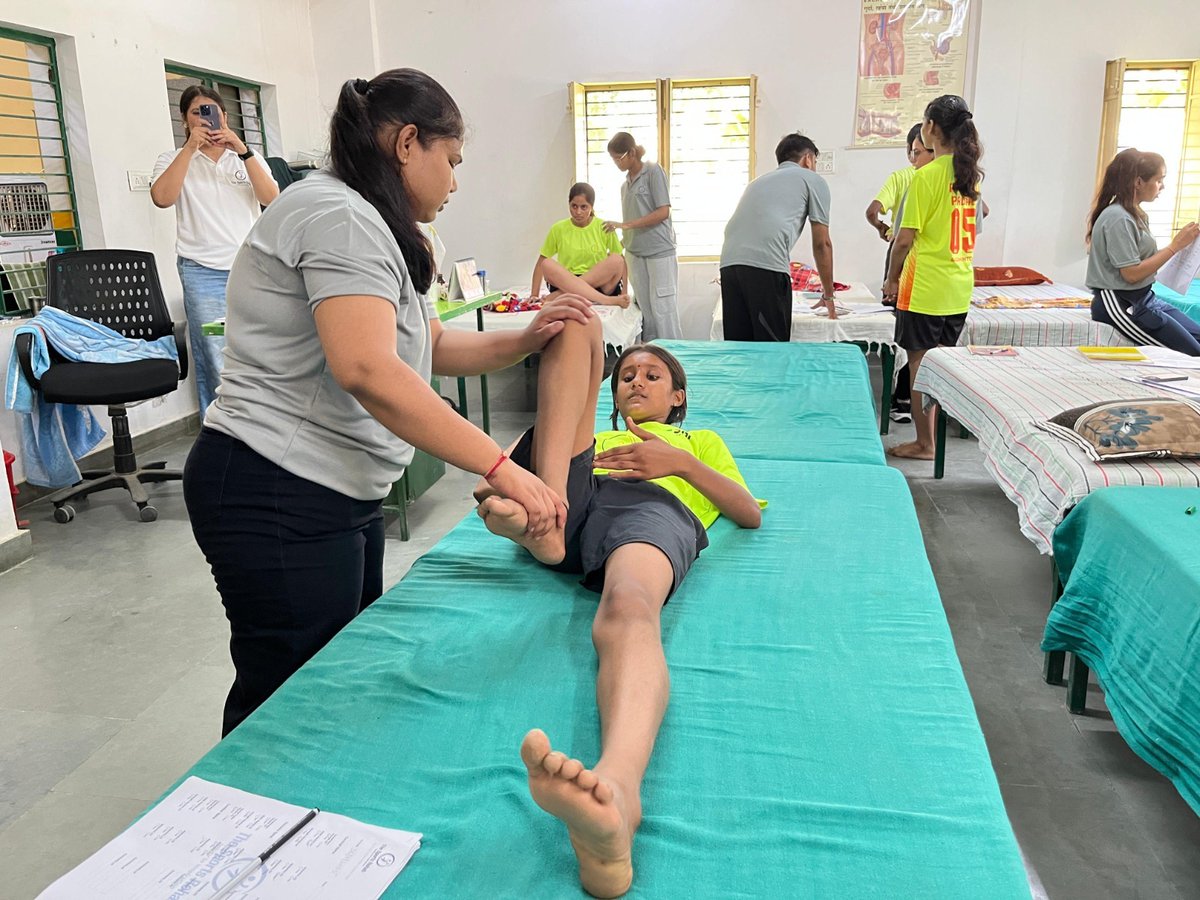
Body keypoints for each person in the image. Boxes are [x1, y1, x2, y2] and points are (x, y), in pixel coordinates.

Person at [183, 69, 595, 736]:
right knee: (289, 704)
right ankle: (249, 829)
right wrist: (504, 468)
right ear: (409, 144)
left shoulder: (378, 223)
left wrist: (527, 338)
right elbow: (369, 368)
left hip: (332, 488)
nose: (456, 181)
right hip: (273, 484)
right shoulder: (338, 215)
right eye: (452, 160)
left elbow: (425, 345)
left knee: (332, 677)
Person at [474, 324, 762, 898]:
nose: (636, 382)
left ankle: (620, 794)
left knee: (628, 606)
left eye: (653, 376)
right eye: (626, 375)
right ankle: (531, 523)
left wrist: (675, 464)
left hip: (650, 511)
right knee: (549, 420)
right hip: (572, 489)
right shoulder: (593, 441)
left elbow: (748, 512)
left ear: (678, 397)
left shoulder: (696, 441)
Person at [151, 86, 280, 413]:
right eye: (198, 112)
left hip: (250, 272)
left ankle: (262, 420)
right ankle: (219, 430)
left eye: (213, 111)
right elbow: (162, 197)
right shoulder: (172, 159)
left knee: (259, 346)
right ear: (185, 120)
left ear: (224, 115)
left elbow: (271, 198)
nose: (207, 118)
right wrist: (190, 149)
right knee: (213, 351)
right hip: (202, 274)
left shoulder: (246, 157)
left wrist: (243, 151)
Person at [883, 95, 983, 460]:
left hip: (925, 288)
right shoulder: (970, 175)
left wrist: (892, 279)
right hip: (958, 289)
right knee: (940, 367)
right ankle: (933, 441)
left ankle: (925, 443)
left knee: (920, 366)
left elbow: (905, 239)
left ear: (930, 129)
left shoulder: (924, 177)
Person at [719, 133, 836, 340]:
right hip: (765, 268)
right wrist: (828, 295)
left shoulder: (757, 182)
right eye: (815, 161)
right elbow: (822, 243)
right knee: (772, 349)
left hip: (729, 265)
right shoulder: (812, 179)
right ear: (808, 159)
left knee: (739, 348)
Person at [1086, 148, 1200, 354]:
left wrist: (1184, 247)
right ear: (1138, 182)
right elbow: (1131, 274)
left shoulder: (1135, 214)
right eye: (1159, 180)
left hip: (1145, 297)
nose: (1162, 186)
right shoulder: (1118, 218)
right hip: (1120, 303)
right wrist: (1176, 246)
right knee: (1194, 354)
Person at [867, 124, 933, 421]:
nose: (918, 157)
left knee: (905, 332)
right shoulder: (957, 179)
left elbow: (874, 211)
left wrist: (884, 228)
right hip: (937, 266)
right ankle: (912, 401)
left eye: (921, 151)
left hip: (907, 258)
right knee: (924, 340)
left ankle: (902, 397)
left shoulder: (909, 178)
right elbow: (981, 212)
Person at [604, 133, 682, 341]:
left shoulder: (653, 172)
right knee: (645, 311)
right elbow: (633, 216)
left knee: (663, 309)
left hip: (659, 252)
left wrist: (625, 226)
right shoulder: (625, 185)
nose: (616, 163)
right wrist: (621, 241)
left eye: (618, 158)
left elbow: (663, 211)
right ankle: (652, 360)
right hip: (635, 253)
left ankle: (675, 359)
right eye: (613, 159)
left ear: (631, 153)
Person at [529, 182, 630, 308]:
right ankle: (603, 299)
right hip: (566, 282)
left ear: (591, 207)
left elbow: (622, 263)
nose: (578, 212)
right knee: (546, 264)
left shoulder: (604, 226)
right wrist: (534, 294)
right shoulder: (558, 228)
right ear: (569, 204)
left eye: (584, 207)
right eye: (574, 206)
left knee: (617, 259)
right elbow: (540, 264)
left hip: (600, 284)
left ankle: (562, 295)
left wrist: (624, 291)